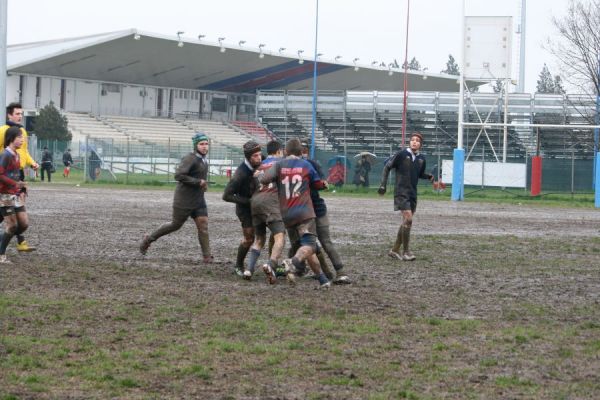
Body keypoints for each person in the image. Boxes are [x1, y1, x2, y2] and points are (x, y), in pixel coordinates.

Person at [258, 138, 331, 288]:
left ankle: (322, 279)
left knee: (304, 248)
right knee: (311, 246)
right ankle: (291, 262)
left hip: (287, 214)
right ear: (301, 152)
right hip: (304, 213)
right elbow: (317, 184)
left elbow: (264, 179)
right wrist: (324, 185)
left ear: (286, 151)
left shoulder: (279, 165)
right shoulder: (306, 165)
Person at [139, 133, 213, 263]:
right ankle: (149, 239)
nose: (204, 146)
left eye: (206, 144)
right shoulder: (190, 158)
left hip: (198, 199)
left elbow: (198, 177)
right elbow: (179, 175)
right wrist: (198, 182)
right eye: (201, 144)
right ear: (195, 145)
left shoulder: (203, 159)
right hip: (184, 199)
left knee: (203, 225)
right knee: (175, 225)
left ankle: (207, 257)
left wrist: (203, 184)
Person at [377, 132, 434, 261]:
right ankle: (406, 252)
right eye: (412, 140)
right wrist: (383, 185)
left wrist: (428, 176)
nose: (414, 142)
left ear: (421, 144)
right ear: (409, 142)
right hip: (401, 192)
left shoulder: (421, 159)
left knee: (406, 222)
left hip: (413, 194)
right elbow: (387, 167)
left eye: (417, 140)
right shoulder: (402, 154)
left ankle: (394, 250)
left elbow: (419, 174)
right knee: (408, 219)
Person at [243, 140, 285, 283]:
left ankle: (249, 269)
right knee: (280, 237)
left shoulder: (261, 165)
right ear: (279, 151)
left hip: (255, 203)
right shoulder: (281, 163)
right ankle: (271, 264)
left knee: (259, 239)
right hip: (270, 203)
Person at [0, 102, 38, 252]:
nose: (20, 116)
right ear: (9, 115)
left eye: (21, 114)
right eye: (17, 114)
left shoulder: (22, 132)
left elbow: (25, 152)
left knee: (17, 212)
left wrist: (32, 163)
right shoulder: (3, 130)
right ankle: (19, 241)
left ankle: (20, 241)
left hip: (18, 173)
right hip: (5, 175)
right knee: (10, 212)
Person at [223, 140, 262, 277]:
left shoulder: (261, 165)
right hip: (245, 209)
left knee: (276, 232)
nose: (259, 158)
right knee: (249, 238)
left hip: (260, 206)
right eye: (255, 156)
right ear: (248, 157)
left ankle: (274, 265)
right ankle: (238, 265)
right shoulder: (241, 174)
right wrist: (249, 201)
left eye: (260, 154)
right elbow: (226, 195)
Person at [0, 127, 29, 263]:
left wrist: (21, 188)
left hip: (15, 195)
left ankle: (2, 239)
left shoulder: (16, 155)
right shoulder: (5, 155)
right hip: (4, 196)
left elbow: (14, 175)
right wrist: (15, 184)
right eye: (19, 137)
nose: (22, 140)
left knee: (23, 224)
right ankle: (1, 255)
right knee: (11, 226)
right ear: (11, 139)